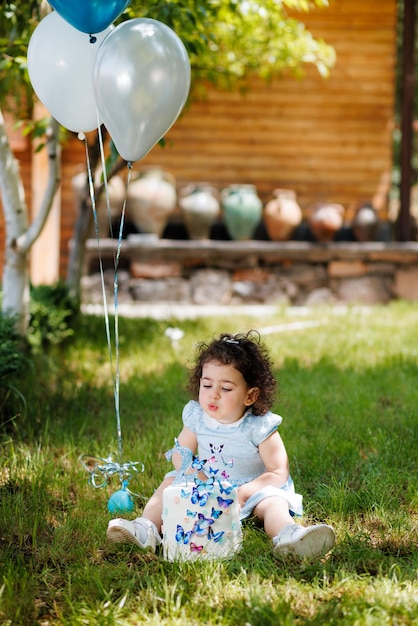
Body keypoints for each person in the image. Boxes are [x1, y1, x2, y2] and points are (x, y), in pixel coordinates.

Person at [107, 330, 335, 559]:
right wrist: (191, 471)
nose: (213, 395)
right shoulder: (197, 416)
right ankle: (146, 529)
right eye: (207, 386)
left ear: (250, 395)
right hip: (207, 480)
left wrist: (243, 493)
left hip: (250, 488)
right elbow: (182, 451)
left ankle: (290, 535)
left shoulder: (259, 426)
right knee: (170, 481)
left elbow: (278, 471)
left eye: (225, 389)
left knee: (273, 503)